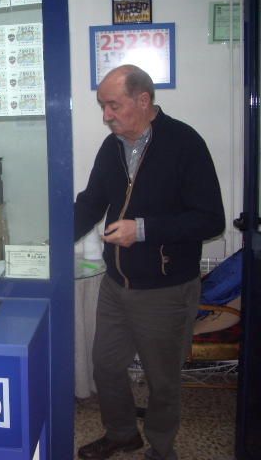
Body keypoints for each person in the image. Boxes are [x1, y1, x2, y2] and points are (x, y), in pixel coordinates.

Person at [74, 64, 224, 460]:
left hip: (165, 289)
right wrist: (51, 241)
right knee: (105, 366)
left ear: (143, 101)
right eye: (103, 106)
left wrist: (141, 230)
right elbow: (91, 202)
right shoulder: (112, 147)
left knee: (162, 381)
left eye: (113, 105)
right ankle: (122, 433)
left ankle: (161, 448)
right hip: (116, 284)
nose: (106, 115)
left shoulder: (184, 143)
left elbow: (211, 219)